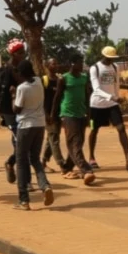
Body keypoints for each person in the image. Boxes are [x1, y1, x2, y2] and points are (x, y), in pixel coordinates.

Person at [89, 46, 128, 171]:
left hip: (112, 104)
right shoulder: (95, 68)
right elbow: (96, 89)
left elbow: (116, 84)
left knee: (121, 128)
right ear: (104, 56)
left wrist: (117, 98)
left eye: (113, 58)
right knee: (94, 130)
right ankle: (91, 158)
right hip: (97, 104)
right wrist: (112, 97)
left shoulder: (115, 67)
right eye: (109, 58)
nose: (111, 60)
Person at [12, 60, 54, 210]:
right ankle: (45, 185)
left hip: (25, 126)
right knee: (35, 159)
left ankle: (23, 199)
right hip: (39, 124)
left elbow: (17, 109)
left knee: (21, 161)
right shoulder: (38, 82)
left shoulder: (22, 88)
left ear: (21, 74)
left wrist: (12, 96)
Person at [0, 39, 26, 184]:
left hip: (24, 111)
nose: (23, 55)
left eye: (24, 52)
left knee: (22, 143)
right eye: (20, 53)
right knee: (20, 143)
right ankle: (24, 179)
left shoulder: (24, 69)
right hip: (9, 112)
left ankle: (10, 163)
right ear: (13, 54)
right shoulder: (4, 71)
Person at [54, 54, 97, 185]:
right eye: (79, 62)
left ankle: (67, 168)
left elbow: (87, 96)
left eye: (82, 62)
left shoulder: (84, 78)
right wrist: (53, 115)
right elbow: (57, 97)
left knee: (78, 142)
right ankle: (86, 170)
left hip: (81, 113)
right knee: (75, 143)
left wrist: (89, 114)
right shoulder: (64, 79)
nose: (81, 65)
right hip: (68, 114)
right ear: (72, 64)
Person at [41, 58, 73, 173]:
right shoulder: (44, 80)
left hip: (59, 113)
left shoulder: (60, 80)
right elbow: (41, 100)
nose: (56, 65)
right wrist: (46, 115)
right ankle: (62, 163)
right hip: (48, 115)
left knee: (50, 138)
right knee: (54, 139)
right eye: (53, 64)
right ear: (47, 66)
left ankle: (43, 162)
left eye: (57, 63)